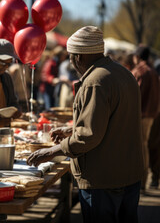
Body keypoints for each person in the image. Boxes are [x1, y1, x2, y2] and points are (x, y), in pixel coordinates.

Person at [27, 26, 143, 222]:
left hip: (103, 178)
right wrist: (71, 129)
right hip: (129, 174)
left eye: (71, 57)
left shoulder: (95, 81)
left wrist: (51, 151)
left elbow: (88, 136)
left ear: (77, 57)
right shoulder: (123, 73)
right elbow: (113, 120)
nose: (71, 63)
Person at [131, 46, 160, 190]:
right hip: (151, 114)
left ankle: (141, 182)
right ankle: (142, 181)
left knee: (141, 148)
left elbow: (134, 95)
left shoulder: (141, 71)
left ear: (137, 56)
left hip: (141, 115)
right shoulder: (153, 71)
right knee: (146, 146)